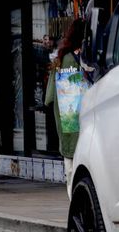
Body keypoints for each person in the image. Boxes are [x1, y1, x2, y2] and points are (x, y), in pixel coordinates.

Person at [46, 19, 89, 175]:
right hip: (86, 109)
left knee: (69, 158)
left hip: (66, 112)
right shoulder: (87, 56)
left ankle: (72, 191)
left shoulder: (62, 56)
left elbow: (50, 96)